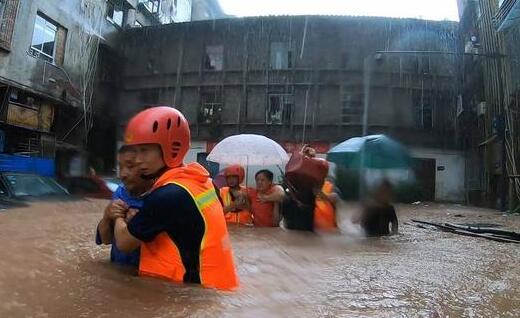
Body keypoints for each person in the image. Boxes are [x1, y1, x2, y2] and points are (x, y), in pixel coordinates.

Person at [113, 106, 239, 290]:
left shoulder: (168, 195)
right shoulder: (203, 181)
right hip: (217, 288)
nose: (138, 160)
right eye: (137, 151)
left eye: (145, 150)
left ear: (171, 147)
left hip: (191, 293)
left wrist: (117, 215)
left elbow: (124, 243)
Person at [96, 145, 152, 267]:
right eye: (120, 167)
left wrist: (134, 225)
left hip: (142, 276)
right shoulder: (120, 192)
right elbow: (106, 240)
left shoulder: (159, 198)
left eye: (130, 166)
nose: (123, 174)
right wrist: (107, 215)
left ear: (147, 167)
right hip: (116, 272)